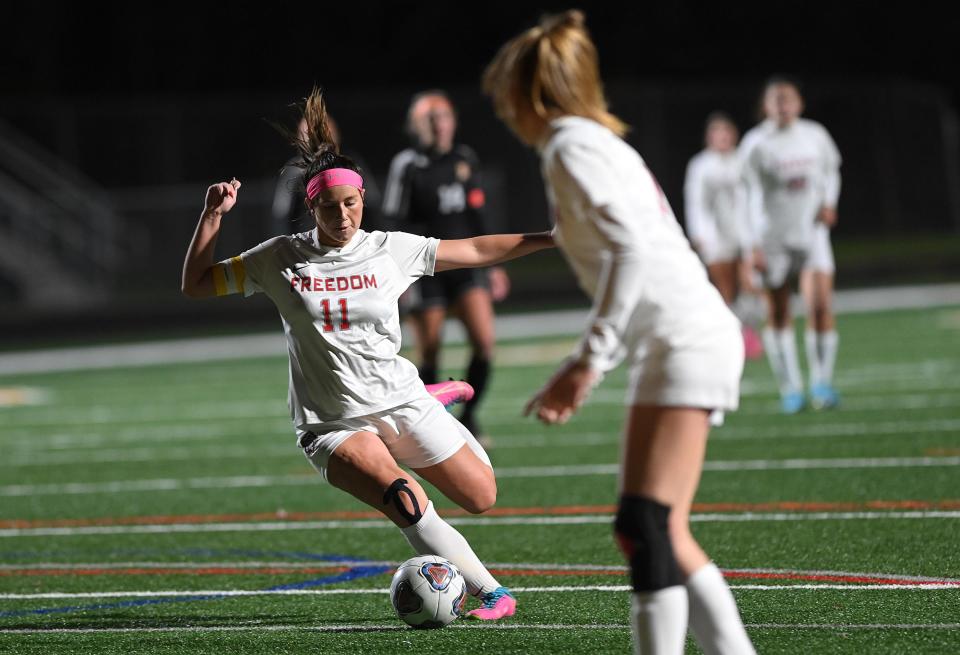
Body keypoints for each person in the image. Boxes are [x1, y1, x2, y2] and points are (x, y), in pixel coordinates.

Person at [181, 88, 555, 620]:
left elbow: (474, 249)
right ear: (311, 206)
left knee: (482, 495)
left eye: (350, 204)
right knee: (404, 498)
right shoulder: (279, 258)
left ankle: (431, 395)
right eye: (329, 207)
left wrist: (550, 237)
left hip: (398, 399)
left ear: (362, 200)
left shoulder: (389, 249)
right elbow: (195, 285)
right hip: (332, 423)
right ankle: (494, 592)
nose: (342, 216)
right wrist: (211, 218)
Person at [483, 11, 756, 655]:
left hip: (683, 337)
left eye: (504, 95)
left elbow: (631, 249)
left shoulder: (570, 146)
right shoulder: (590, 141)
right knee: (656, 529)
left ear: (530, 93)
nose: (501, 110)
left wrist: (587, 359)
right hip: (673, 339)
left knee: (646, 524)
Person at [382, 91, 508, 441]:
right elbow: (394, 221)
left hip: (465, 265)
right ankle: (429, 425)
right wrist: (400, 274)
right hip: (426, 269)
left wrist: (495, 265)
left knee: (484, 342)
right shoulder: (407, 165)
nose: (439, 125)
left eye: (445, 116)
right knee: (431, 349)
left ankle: (469, 416)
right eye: (430, 118)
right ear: (416, 126)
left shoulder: (464, 158)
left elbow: (477, 214)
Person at [739, 76, 842, 413]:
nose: (783, 106)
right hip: (774, 239)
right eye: (776, 100)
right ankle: (791, 389)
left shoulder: (815, 135)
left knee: (821, 307)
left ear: (799, 103)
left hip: (812, 234)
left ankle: (822, 384)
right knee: (780, 312)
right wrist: (751, 244)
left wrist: (829, 202)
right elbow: (746, 195)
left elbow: (832, 172)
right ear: (766, 107)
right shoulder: (755, 143)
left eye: (788, 99)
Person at [684, 112, 764, 359]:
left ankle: (747, 331)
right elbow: (696, 202)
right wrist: (699, 233)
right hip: (716, 237)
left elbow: (755, 197)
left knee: (751, 284)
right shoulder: (700, 165)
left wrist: (758, 232)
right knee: (725, 290)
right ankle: (731, 336)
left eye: (727, 132)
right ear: (709, 137)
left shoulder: (743, 160)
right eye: (718, 133)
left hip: (745, 234)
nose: (723, 137)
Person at [272, 115, 382, 236]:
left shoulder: (351, 164)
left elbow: (371, 204)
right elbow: (282, 214)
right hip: (310, 246)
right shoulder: (295, 171)